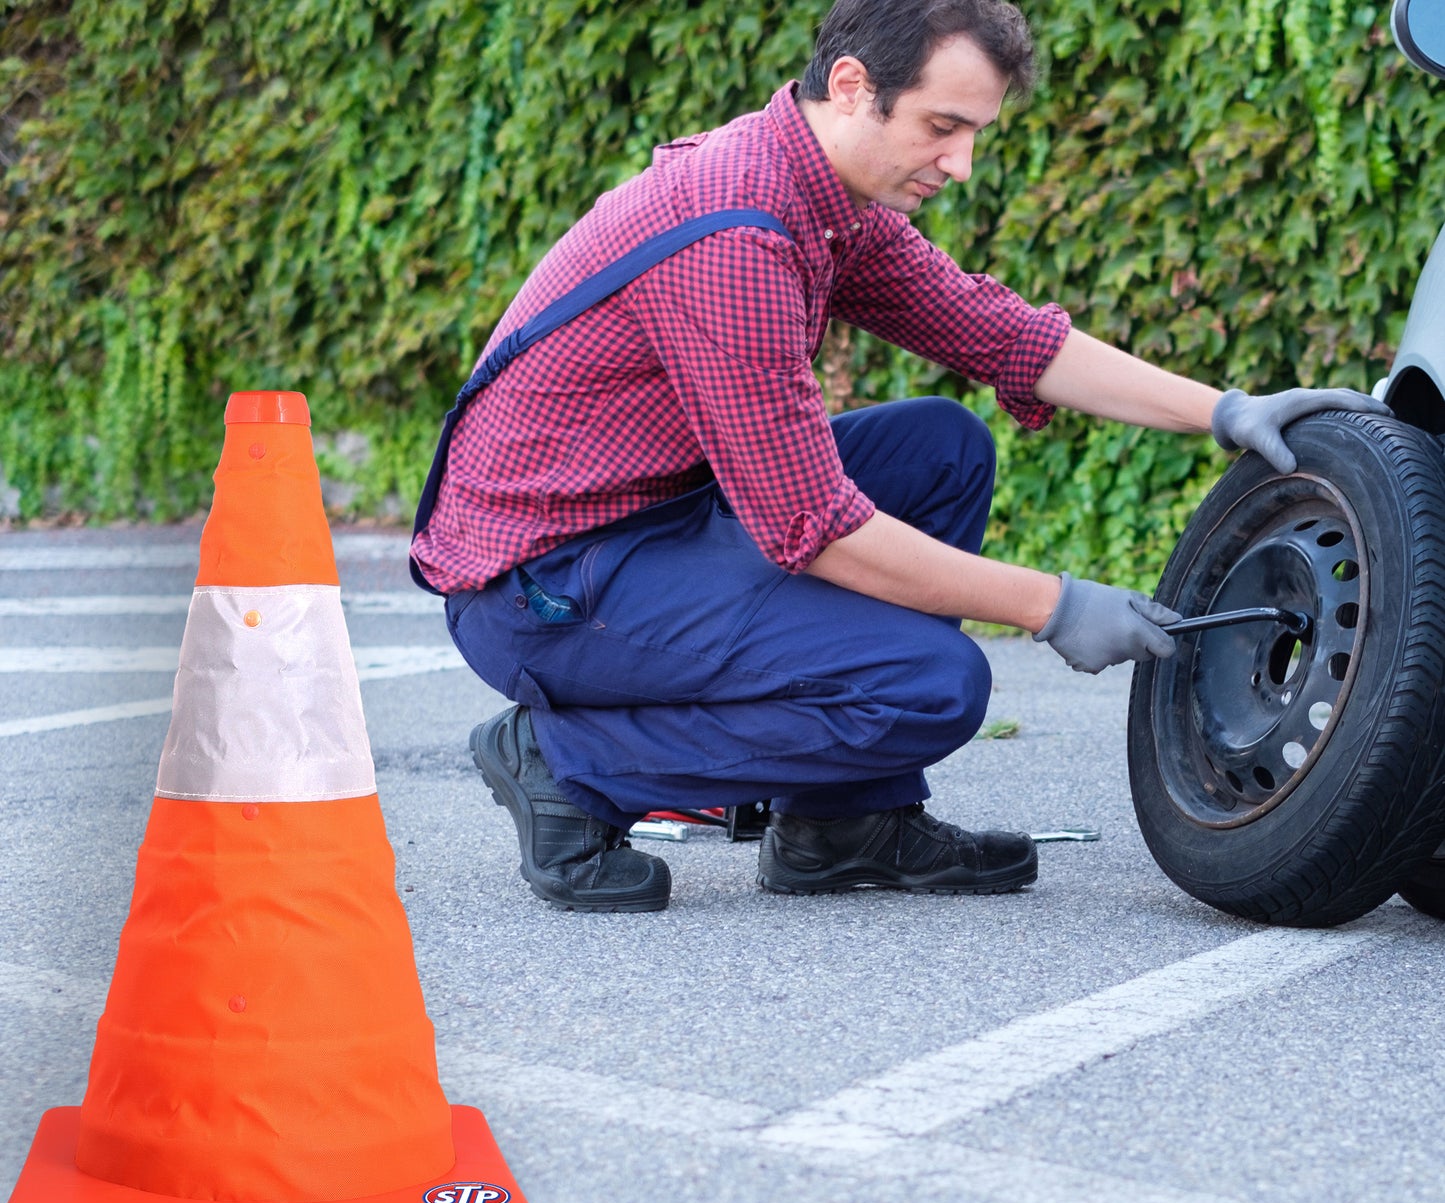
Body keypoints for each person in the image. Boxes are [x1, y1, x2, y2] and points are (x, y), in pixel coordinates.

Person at [410, 0, 1386, 913]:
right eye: (941, 126)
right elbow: (812, 529)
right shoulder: (733, 234)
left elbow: (1005, 336)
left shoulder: (815, 192)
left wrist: (1222, 409)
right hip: (539, 586)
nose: (959, 163)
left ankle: (841, 824)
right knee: (928, 685)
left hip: (642, 525)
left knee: (939, 448)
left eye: (972, 133)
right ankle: (566, 758)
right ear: (849, 87)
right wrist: (1052, 603)